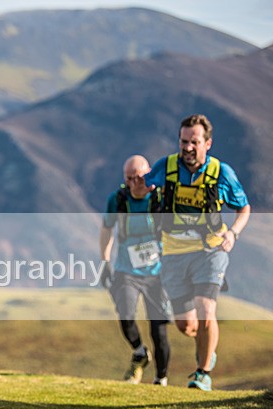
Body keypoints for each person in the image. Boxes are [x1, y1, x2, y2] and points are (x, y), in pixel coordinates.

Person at [140, 114, 251, 391]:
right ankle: (206, 348)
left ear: (207, 143)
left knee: (206, 309)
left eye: (194, 142)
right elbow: (143, 186)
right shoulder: (166, 166)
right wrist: (137, 182)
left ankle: (203, 373)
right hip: (174, 253)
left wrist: (233, 233)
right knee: (185, 325)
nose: (188, 148)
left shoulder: (222, 173)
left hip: (210, 250)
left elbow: (244, 207)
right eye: (184, 141)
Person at [100, 155, 171, 386]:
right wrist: (105, 261)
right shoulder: (118, 200)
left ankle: (161, 378)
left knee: (158, 330)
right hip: (126, 270)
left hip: (157, 272)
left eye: (139, 178)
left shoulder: (162, 198)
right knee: (125, 313)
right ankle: (139, 352)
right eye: (129, 179)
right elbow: (107, 229)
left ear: (149, 174)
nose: (134, 183)